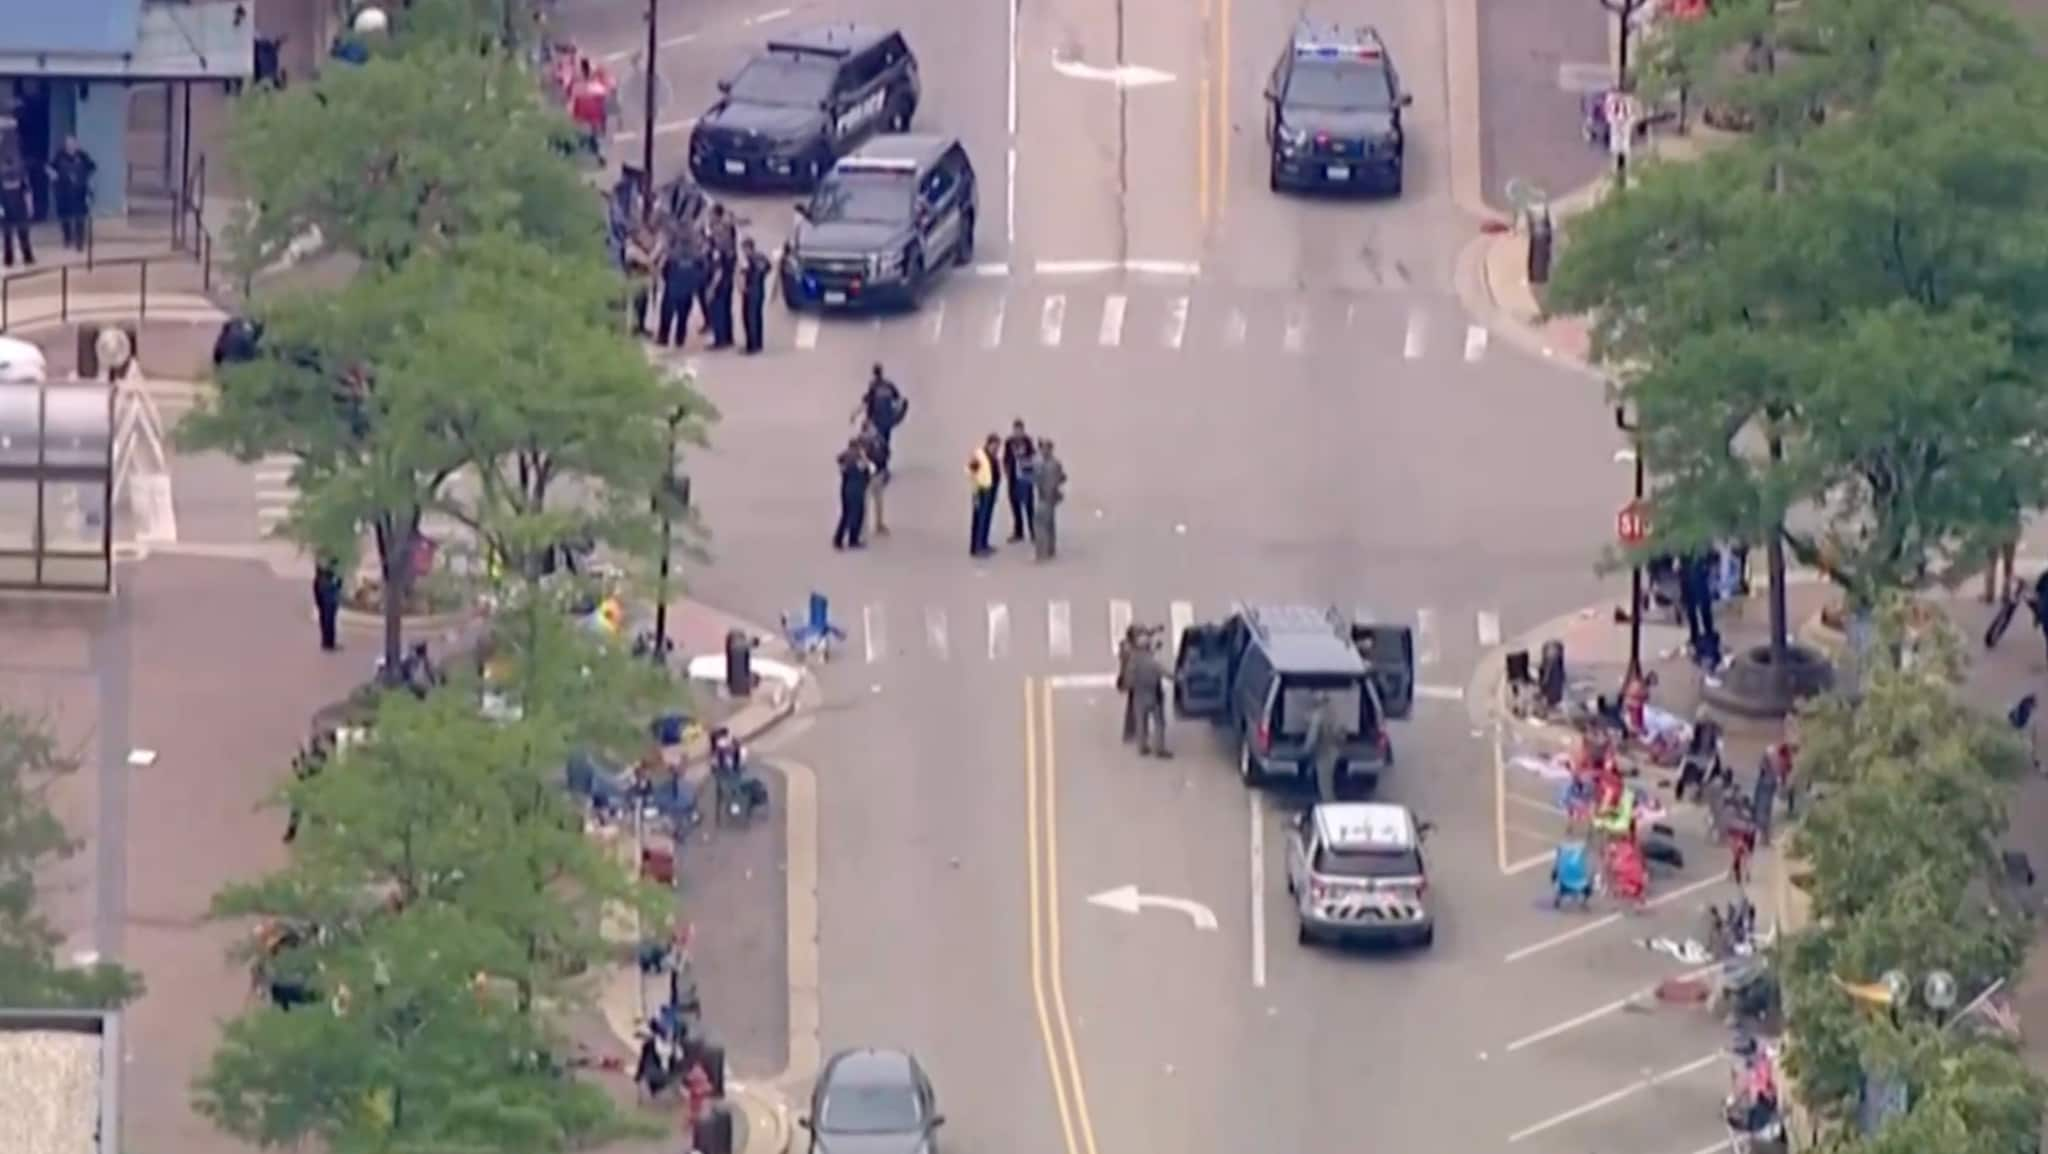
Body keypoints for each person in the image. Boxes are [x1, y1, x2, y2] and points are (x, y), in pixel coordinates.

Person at [48, 136, 95, 252]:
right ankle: (67, 239)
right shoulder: (60, 155)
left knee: (80, 217)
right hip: (63, 192)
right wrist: (53, 174)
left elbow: (92, 167)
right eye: (68, 143)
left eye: (73, 143)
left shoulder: (82, 155)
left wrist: (86, 179)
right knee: (65, 217)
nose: (71, 146)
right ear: (65, 145)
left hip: (79, 192)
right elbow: (50, 167)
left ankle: (79, 242)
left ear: (76, 144)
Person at [1126, 636, 1170, 757]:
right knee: (1159, 723)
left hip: (1139, 696)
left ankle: (1142, 747)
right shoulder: (1153, 662)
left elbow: (1129, 680)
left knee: (1141, 723)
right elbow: (1166, 673)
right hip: (1154, 695)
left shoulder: (1133, 661)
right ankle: (1159, 749)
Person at [657, 234, 704, 348]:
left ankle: (664, 338)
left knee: (667, 314)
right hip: (687, 291)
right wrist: (694, 286)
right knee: (683, 316)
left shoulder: (672, 255)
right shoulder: (697, 256)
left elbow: (664, 271)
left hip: (673, 289)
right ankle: (680, 339)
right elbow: (702, 272)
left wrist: (669, 281)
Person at [1302, 692, 1347, 802]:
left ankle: (1330, 808)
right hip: (1334, 750)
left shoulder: (1318, 716)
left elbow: (1312, 738)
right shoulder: (1333, 713)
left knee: (1325, 786)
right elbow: (1342, 732)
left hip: (1324, 752)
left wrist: (1305, 750)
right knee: (1328, 782)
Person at [855, 365, 908, 449]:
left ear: (874, 373)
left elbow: (869, 402)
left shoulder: (874, 385)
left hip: (878, 418)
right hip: (887, 418)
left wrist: (865, 416)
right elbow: (897, 398)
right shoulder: (888, 384)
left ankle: (878, 451)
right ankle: (882, 452)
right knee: (884, 438)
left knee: (878, 438)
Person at [1001, 420, 1037, 543]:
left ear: (1023, 430)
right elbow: (1005, 458)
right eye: (1016, 430)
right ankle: (1018, 532)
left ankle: (1033, 532)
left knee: (1029, 507)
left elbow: (1033, 457)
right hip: (1013, 479)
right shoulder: (1009, 442)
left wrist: (1025, 460)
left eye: (1020, 430)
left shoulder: (1028, 441)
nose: (1018, 433)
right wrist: (1007, 470)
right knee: (1015, 506)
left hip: (1026, 479)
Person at [833, 438, 871, 550]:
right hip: (857, 489)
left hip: (845, 488)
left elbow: (840, 461)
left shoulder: (845, 458)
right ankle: (852, 539)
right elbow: (867, 472)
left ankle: (838, 539)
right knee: (857, 514)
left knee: (846, 513)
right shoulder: (859, 459)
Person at [1032, 438, 1066, 561]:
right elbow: (1063, 477)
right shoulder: (1056, 463)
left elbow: (1038, 479)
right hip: (1052, 498)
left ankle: (1041, 553)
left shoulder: (1042, 464)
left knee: (1040, 525)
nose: (1043, 451)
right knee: (1050, 524)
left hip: (1045, 497)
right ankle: (1050, 549)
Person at [857, 420, 890, 536]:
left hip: (879, 473)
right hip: (868, 476)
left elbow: (886, 453)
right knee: (865, 500)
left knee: (878, 500)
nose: (873, 430)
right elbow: (861, 458)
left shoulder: (879, 439)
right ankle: (863, 526)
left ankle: (878, 523)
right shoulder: (861, 442)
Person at [968, 435, 999, 557]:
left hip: (990, 491)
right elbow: (972, 472)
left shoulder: (993, 457)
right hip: (982, 492)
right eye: (995, 446)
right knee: (980, 519)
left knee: (986, 519)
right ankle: (978, 547)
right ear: (989, 444)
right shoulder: (980, 457)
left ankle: (984, 543)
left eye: (997, 446)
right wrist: (975, 492)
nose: (996, 449)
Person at [0, 155, 33, 269]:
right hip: (6, 210)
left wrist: (29, 207)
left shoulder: (22, 176)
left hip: (19, 209)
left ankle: (27, 257)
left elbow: (27, 192)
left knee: (22, 234)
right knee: (8, 235)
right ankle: (9, 259)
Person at [738, 237, 770, 354]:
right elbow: (768, 267)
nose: (743, 251)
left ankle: (751, 346)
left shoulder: (748, 259)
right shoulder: (761, 257)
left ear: (748, 248)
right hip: (759, 291)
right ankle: (758, 343)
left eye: (744, 249)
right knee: (757, 317)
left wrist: (745, 284)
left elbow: (744, 273)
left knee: (749, 318)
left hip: (750, 291)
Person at [313, 560, 343, 652]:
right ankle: (329, 643)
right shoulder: (334, 559)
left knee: (324, 614)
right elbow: (337, 579)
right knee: (329, 616)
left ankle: (326, 641)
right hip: (328, 584)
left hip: (320, 583)